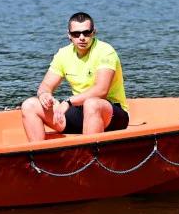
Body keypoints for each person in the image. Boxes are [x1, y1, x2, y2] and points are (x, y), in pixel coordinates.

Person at [21, 12, 129, 142]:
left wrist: (68, 102)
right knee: (29, 105)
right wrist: (45, 95)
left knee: (92, 104)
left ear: (94, 32)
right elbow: (46, 86)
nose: (81, 37)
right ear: (69, 36)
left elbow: (101, 91)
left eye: (86, 33)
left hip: (111, 113)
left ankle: (91, 158)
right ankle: (37, 158)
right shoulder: (63, 54)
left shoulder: (106, 51)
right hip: (79, 111)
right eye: (76, 34)